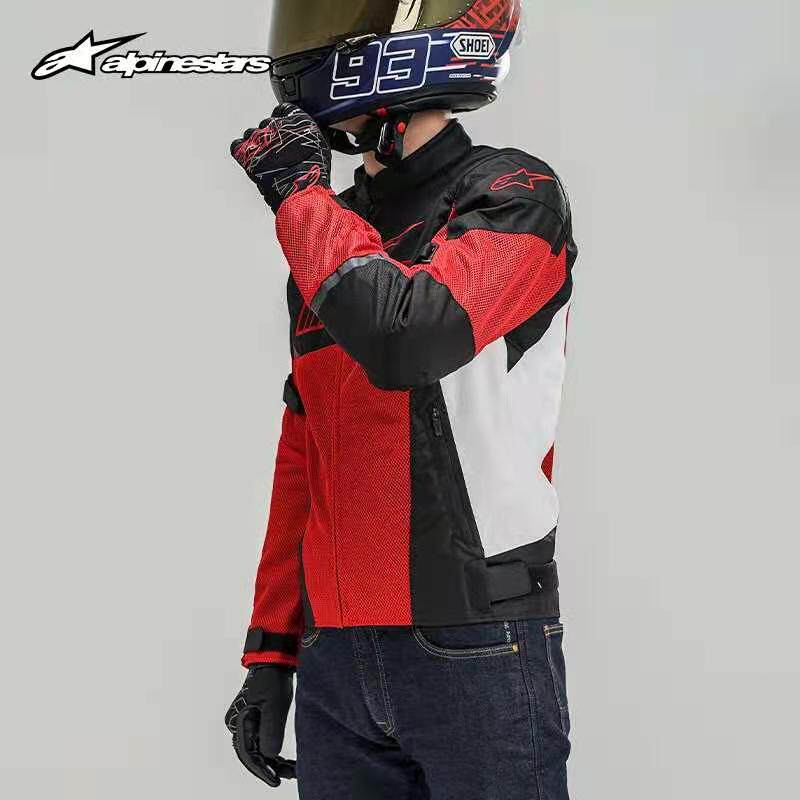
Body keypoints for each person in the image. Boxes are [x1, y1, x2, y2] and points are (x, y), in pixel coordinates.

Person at [225, 2, 577, 798]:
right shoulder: (332, 229)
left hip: (476, 642)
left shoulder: (515, 193)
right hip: (334, 660)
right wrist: (273, 649)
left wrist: (301, 200)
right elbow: (305, 451)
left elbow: (408, 338)